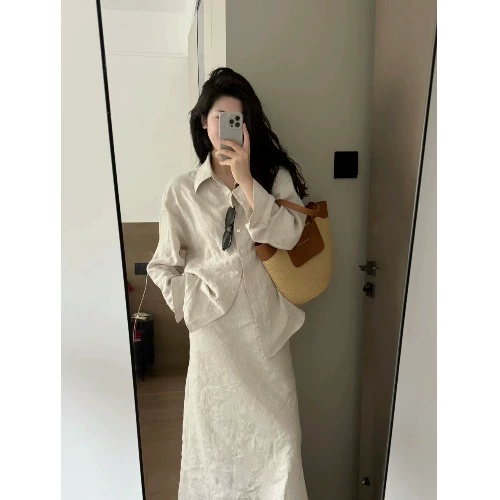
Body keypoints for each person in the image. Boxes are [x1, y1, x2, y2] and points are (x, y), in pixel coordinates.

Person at [147, 67, 309, 499]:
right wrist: (189, 300)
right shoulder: (181, 191)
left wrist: (248, 182)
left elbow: (291, 236)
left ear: (247, 125)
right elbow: (162, 264)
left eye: (237, 119)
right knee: (216, 457)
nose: (226, 129)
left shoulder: (271, 177)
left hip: (266, 336)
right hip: (214, 343)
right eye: (219, 118)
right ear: (204, 122)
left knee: (282, 445)